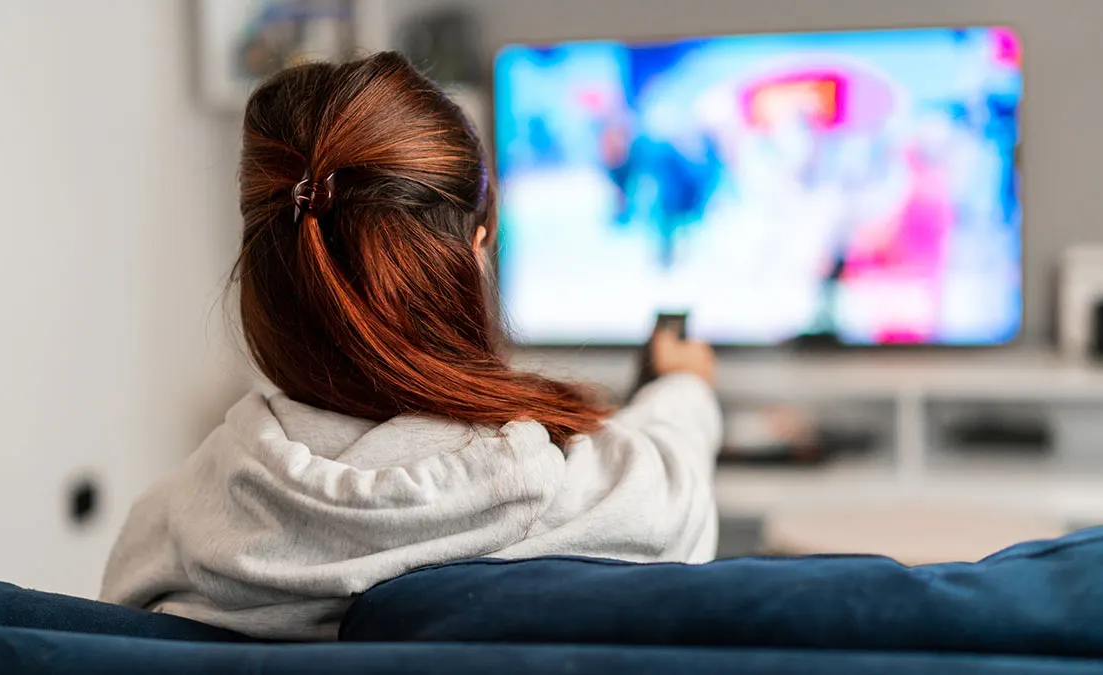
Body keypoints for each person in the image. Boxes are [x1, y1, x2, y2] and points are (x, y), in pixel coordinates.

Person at [100, 52, 722, 641]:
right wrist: (684, 384)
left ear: (264, 275)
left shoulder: (167, 531)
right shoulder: (579, 496)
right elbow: (677, 473)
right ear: (475, 253)